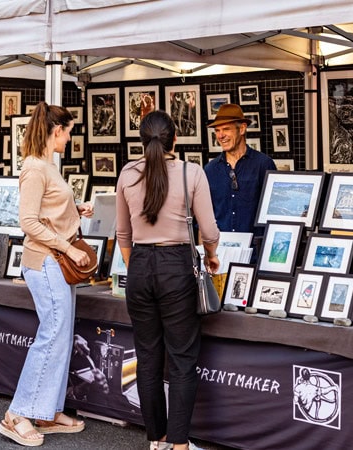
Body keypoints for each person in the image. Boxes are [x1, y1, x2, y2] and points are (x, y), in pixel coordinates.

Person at [116, 110, 220, 450]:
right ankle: (179, 444)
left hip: (140, 267)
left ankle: (156, 439)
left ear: (142, 140)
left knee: (147, 358)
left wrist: (136, 268)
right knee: (181, 358)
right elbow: (209, 230)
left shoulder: (127, 174)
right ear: (175, 138)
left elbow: (123, 234)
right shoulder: (192, 172)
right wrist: (212, 254)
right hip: (177, 266)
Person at [0, 101, 94, 447]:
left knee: (60, 334)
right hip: (47, 261)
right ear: (57, 131)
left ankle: (46, 411)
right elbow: (27, 221)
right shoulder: (36, 168)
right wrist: (69, 248)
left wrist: (74, 209)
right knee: (53, 333)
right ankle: (18, 414)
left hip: (54, 261)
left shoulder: (45, 166)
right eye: (68, 132)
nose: (69, 138)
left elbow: (46, 211)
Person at [203, 103, 277, 237]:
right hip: (221, 252)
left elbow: (275, 212)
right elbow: (204, 218)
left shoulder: (264, 164)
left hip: (255, 252)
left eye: (226, 129)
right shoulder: (210, 170)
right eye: (217, 131)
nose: (220, 136)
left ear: (242, 129)